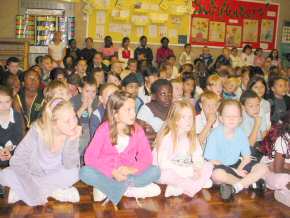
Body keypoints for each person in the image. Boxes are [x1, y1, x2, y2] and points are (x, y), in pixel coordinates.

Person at [80, 91, 161, 206]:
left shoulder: (137, 130)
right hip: (107, 172)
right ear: (115, 113)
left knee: (155, 171)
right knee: (85, 171)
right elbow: (89, 157)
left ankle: (110, 188)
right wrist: (112, 172)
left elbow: (147, 158)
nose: (133, 113)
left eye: (134, 109)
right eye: (128, 110)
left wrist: (131, 169)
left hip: (128, 173)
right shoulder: (103, 129)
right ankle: (127, 188)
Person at [0, 98, 81, 206]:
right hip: (32, 172)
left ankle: (20, 193)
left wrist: (72, 141)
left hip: (55, 174)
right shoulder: (37, 131)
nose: (74, 123)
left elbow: (69, 164)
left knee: (74, 173)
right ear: (53, 124)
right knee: (4, 175)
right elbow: (17, 161)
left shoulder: (71, 131)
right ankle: (55, 192)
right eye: (67, 121)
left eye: (74, 116)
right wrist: (32, 190)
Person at [204, 100, 268, 201]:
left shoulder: (240, 133)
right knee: (217, 175)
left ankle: (236, 187)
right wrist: (236, 172)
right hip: (221, 166)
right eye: (228, 116)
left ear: (240, 119)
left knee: (263, 167)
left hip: (237, 164)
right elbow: (210, 160)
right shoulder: (214, 134)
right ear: (220, 118)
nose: (231, 118)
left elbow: (246, 157)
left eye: (235, 116)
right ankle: (250, 183)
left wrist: (239, 169)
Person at [154, 99, 213, 198]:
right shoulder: (167, 137)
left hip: (186, 167)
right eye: (184, 117)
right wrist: (188, 171)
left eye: (190, 117)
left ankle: (181, 187)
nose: (188, 121)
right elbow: (163, 164)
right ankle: (191, 185)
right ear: (175, 120)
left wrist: (197, 168)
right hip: (169, 169)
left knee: (208, 166)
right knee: (165, 175)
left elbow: (197, 155)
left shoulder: (191, 137)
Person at [260, 111, 290, 207]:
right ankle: (282, 193)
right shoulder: (283, 140)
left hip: (284, 169)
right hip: (272, 172)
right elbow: (277, 169)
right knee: (283, 179)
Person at [0, 86, 25, 197]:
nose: (3, 106)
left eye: (7, 102)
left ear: (12, 101)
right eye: (0, 102)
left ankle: (17, 181)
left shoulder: (17, 116)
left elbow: (18, 137)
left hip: (12, 151)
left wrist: (8, 150)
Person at [71, 77, 98, 160]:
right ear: (80, 89)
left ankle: (87, 157)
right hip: (77, 125)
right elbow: (72, 120)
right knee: (82, 139)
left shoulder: (96, 101)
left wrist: (90, 107)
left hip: (91, 125)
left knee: (90, 136)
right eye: (87, 91)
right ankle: (76, 157)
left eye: (93, 91)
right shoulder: (74, 100)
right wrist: (83, 107)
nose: (90, 94)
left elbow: (94, 122)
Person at [137, 79, 173, 144]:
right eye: (163, 94)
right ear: (154, 96)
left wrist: (155, 135)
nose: (167, 97)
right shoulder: (146, 110)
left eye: (170, 94)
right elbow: (138, 136)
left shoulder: (174, 109)